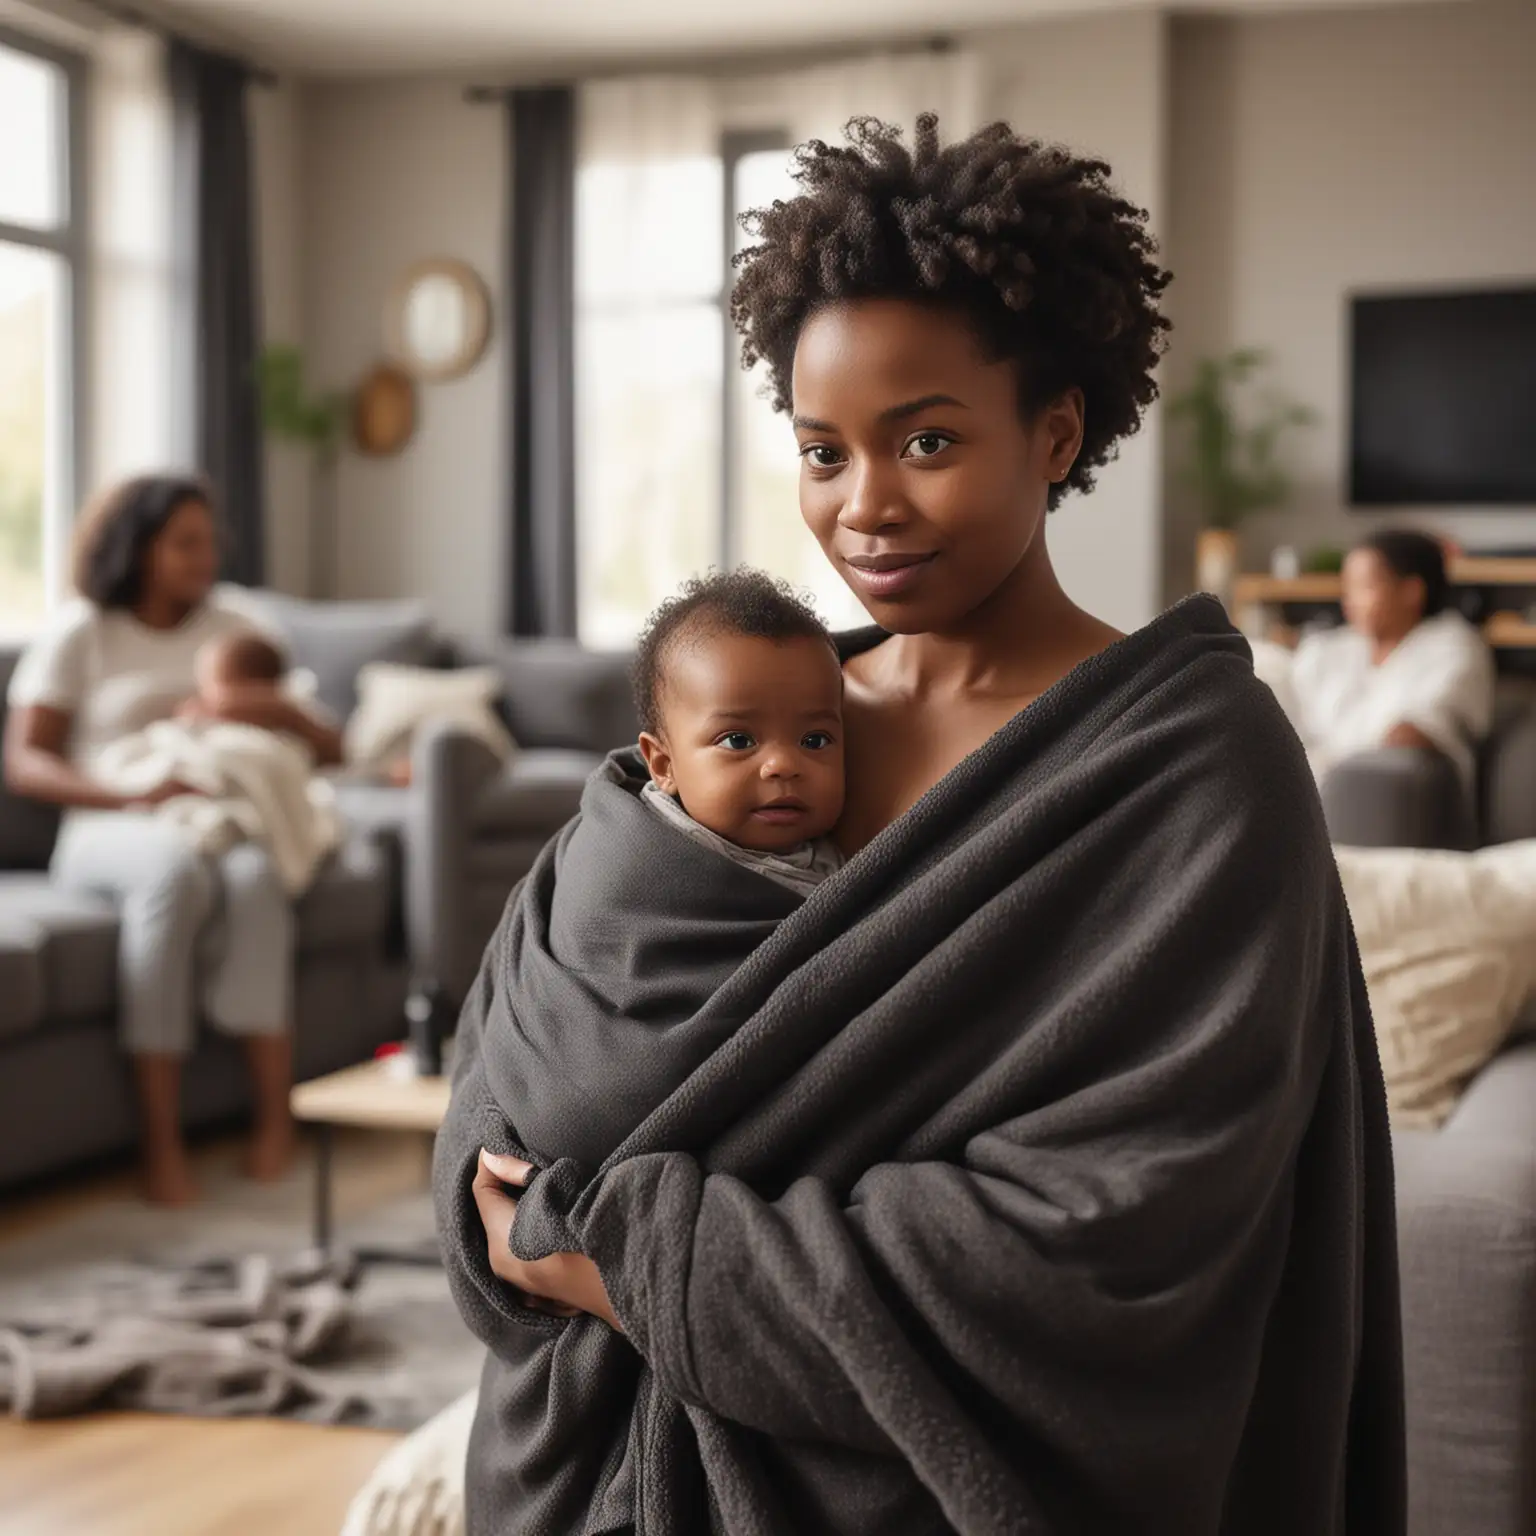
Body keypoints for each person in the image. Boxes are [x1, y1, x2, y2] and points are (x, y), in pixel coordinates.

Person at [438, 116, 1404, 1534]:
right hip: (590, 1472)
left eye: (928, 441)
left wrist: (621, 1264)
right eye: (823, 453)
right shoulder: (765, 727)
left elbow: (1104, 1248)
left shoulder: (1190, 773)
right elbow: (516, 1065)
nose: (865, 508)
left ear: (1056, 430)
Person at [2, 474, 344, 1205]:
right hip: (107, 825)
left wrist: (270, 710)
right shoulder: (84, 632)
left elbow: (325, 744)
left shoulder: (237, 625)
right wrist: (133, 792)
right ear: (139, 548)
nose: (205, 555)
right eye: (184, 542)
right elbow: (26, 762)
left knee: (256, 874)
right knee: (175, 872)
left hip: (213, 811)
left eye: (208, 539)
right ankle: (160, 1143)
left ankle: (271, 1114)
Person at [634, 569, 845, 896]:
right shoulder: (647, 865)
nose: (783, 765)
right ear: (664, 765)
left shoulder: (839, 861)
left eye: (814, 740)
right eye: (739, 740)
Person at [1284, 530, 1495, 788]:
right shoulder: (1330, 648)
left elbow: (1423, 728)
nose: (1348, 602)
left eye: (1365, 587)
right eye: (1347, 588)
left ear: (1411, 591)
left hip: (1386, 790)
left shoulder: (1453, 646)